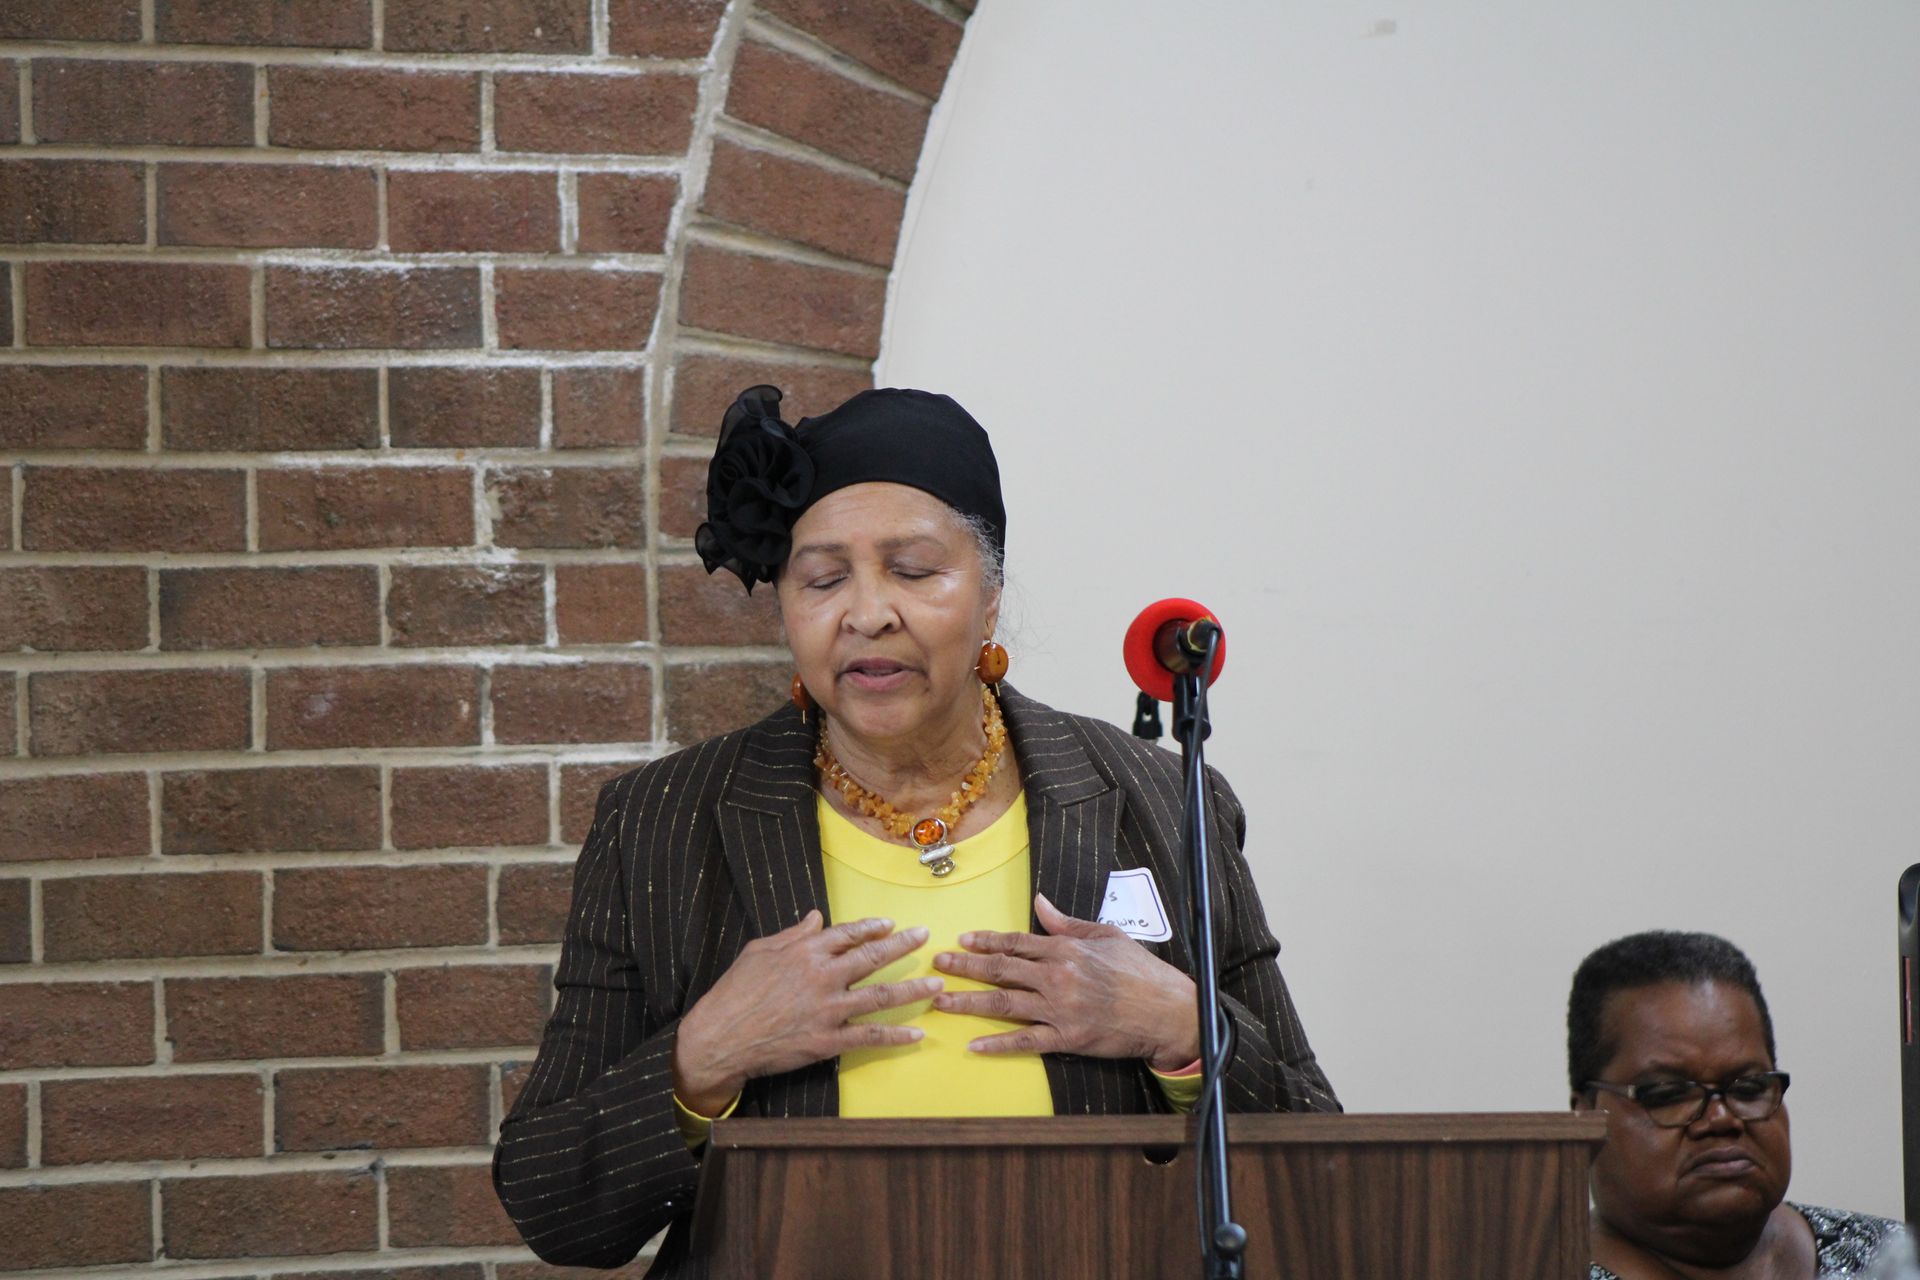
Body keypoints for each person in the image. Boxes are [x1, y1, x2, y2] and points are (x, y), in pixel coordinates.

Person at [492, 385, 1338, 1273]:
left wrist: (1184, 1028)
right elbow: (552, 1206)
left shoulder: (1163, 801)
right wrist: (702, 1058)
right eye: (823, 579)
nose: (867, 613)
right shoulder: (663, 822)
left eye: (914, 569)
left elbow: (1319, 1161)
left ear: (990, 595)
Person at [1569, 930, 1908, 1279]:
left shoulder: (1892, 1260)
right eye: (1668, 1095)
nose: (1720, 1118)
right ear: (1585, 1119)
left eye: (1748, 1088)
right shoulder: (1532, 1268)